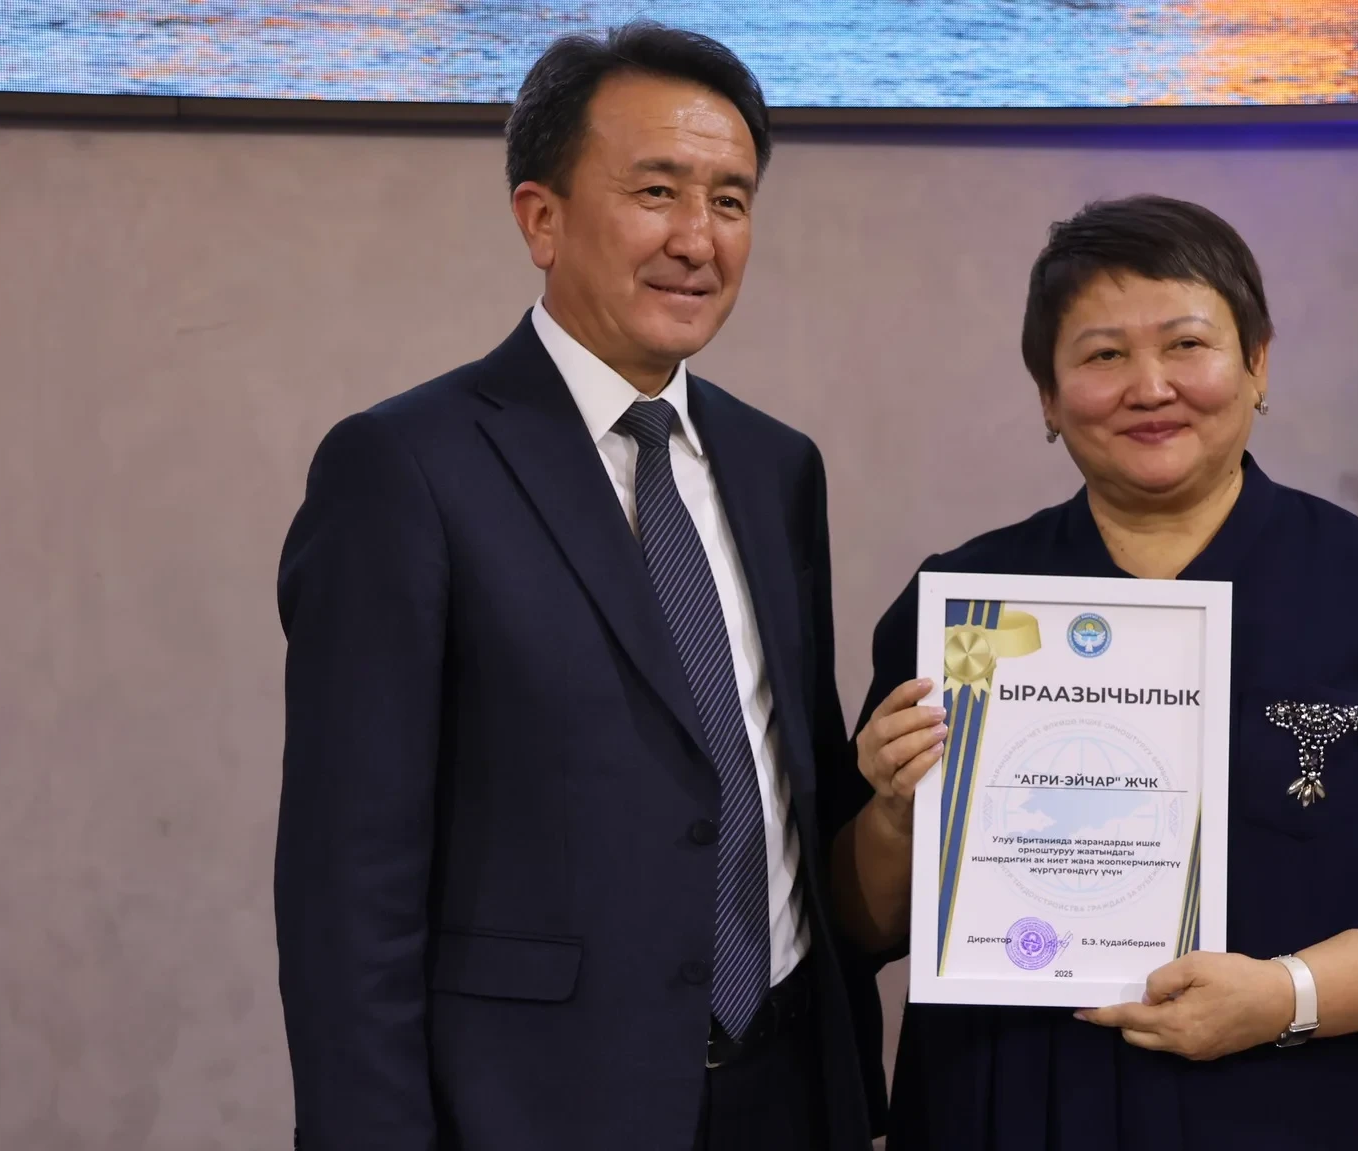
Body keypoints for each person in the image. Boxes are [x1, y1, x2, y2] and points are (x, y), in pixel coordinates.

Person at [831, 195, 1358, 1149]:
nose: (1150, 386)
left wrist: (1285, 996)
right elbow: (859, 923)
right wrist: (894, 813)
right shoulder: (964, 606)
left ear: (1257, 364)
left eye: (1186, 345)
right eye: (1102, 356)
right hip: (1015, 1106)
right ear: (1048, 397)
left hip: (1308, 1110)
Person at [274, 23, 882, 1151]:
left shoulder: (777, 468)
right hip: (537, 1107)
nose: (697, 238)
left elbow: (787, 781)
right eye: (656, 191)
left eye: (731, 201)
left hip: (785, 1092)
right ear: (540, 218)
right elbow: (346, 888)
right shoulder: (404, 468)